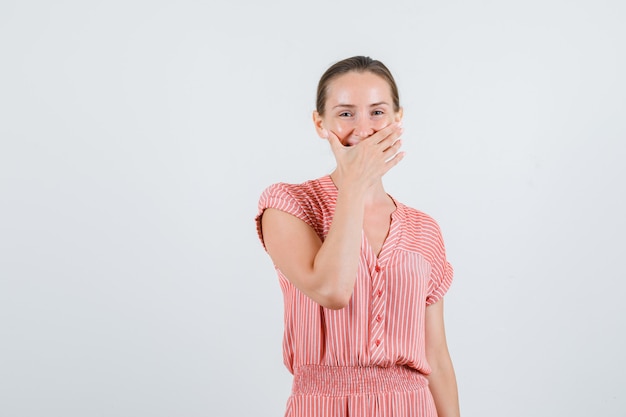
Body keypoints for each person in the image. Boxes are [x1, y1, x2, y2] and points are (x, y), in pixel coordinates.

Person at [255, 56, 460, 417]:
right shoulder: (289, 205)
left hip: (413, 406)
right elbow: (332, 290)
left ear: (398, 119)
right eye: (346, 114)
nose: (364, 129)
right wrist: (354, 185)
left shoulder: (424, 229)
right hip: (321, 406)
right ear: (320, 123)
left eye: (377, 112)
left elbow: (437, 358)